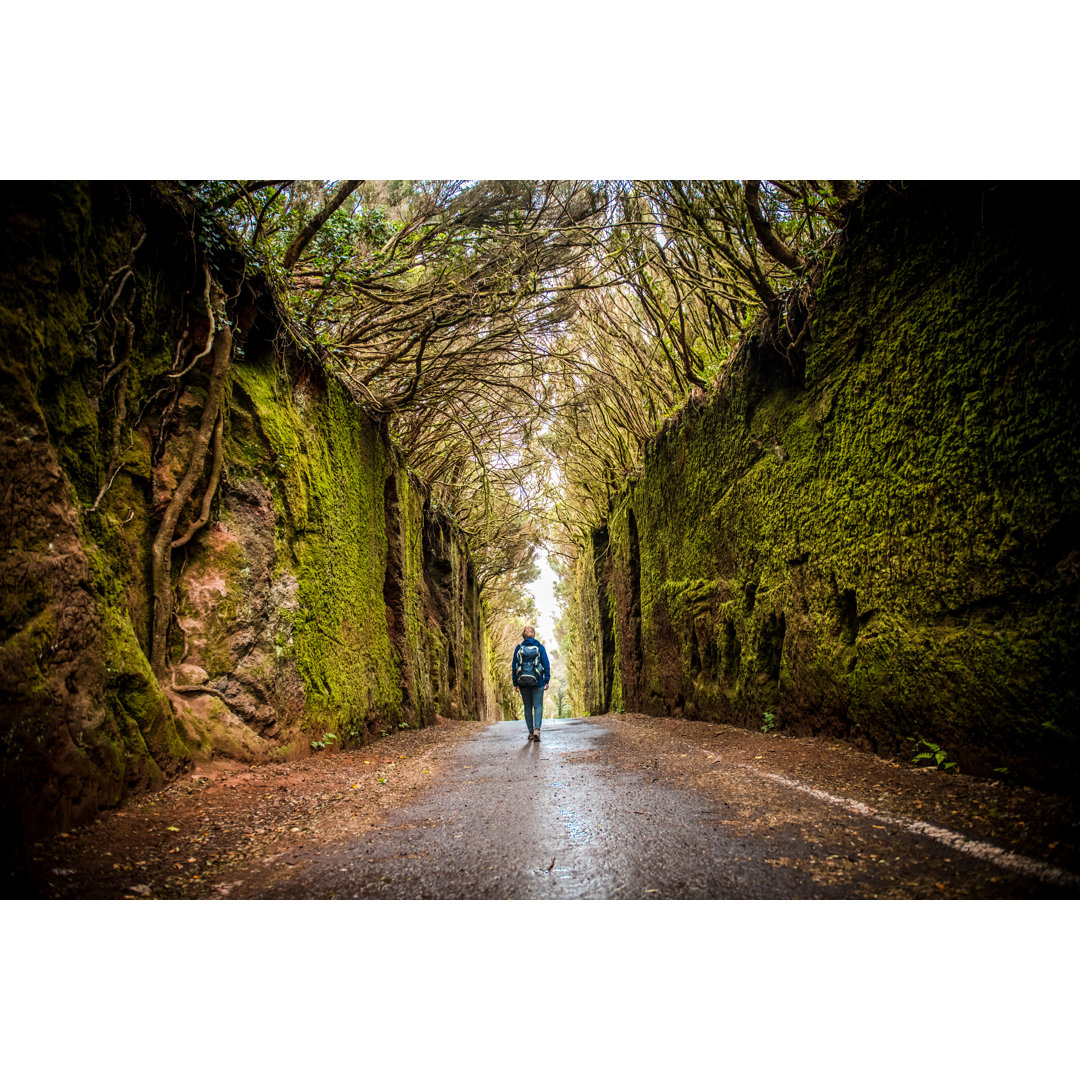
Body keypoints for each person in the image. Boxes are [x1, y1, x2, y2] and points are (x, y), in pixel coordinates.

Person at [512, 624, 550, 742]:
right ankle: (537, 730)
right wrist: (546, 680)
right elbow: (546, 664)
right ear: (534, 635)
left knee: (527, 707)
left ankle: (530, 732)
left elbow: (514, 666)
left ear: (523, 636)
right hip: (537, 681)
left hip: (523, 682)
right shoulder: (540, 647)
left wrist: (515, 682)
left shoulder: (519, 648)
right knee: (538, 706)